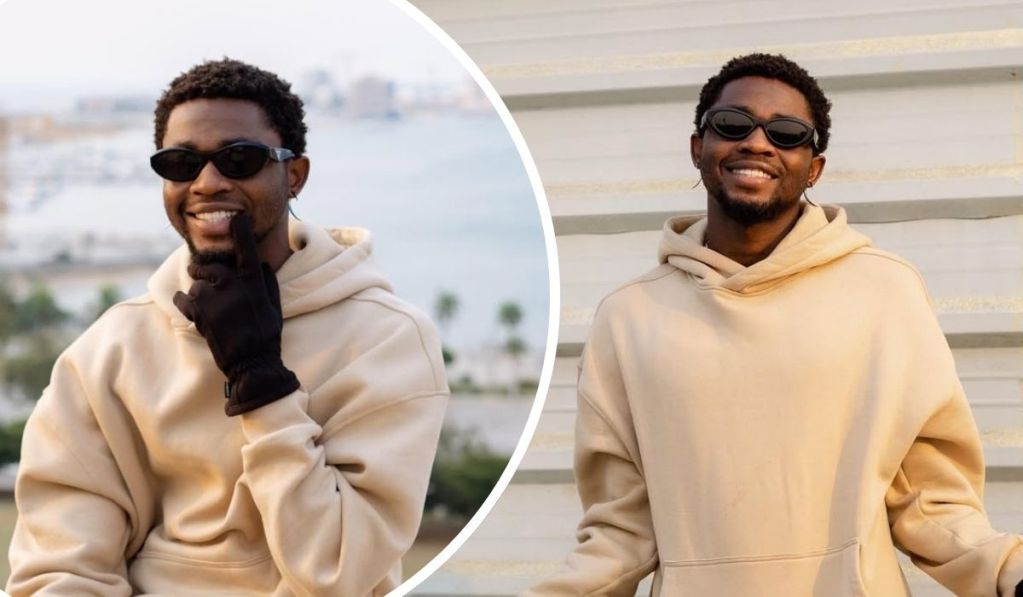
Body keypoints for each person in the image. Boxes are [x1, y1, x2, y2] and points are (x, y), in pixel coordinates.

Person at [526, 53, 1023, 596]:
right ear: (698, 147)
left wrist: (1006, 570)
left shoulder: (885, 292)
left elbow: (929, 502)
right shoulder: (628, 319)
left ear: (815, 167)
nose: (757, 144)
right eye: (732, 125)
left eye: (787, 134)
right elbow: (620, 535)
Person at [7, 59, 449, 596]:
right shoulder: (109, 350)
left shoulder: (388, 340)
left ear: (295, 174)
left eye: (239, 159)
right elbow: (60, 569)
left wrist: (261, 382)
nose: (207, 183)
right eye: (181, 163)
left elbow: (336, 571)